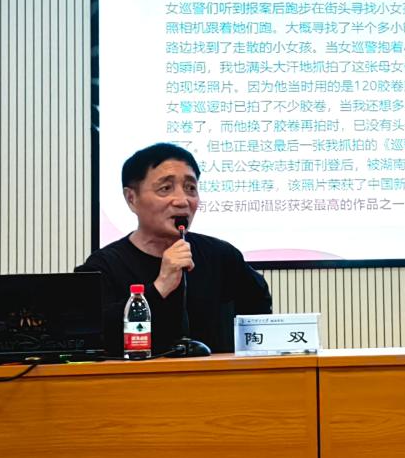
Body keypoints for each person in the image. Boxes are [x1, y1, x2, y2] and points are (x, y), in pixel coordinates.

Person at [77, 143, 272, 355]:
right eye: (165, 188)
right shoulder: (104, 266)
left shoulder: (222, 255)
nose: (182, 201)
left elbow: (259, 310)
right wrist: (160, 286)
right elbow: (90, 338)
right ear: (132, 198)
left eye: (190, 188)